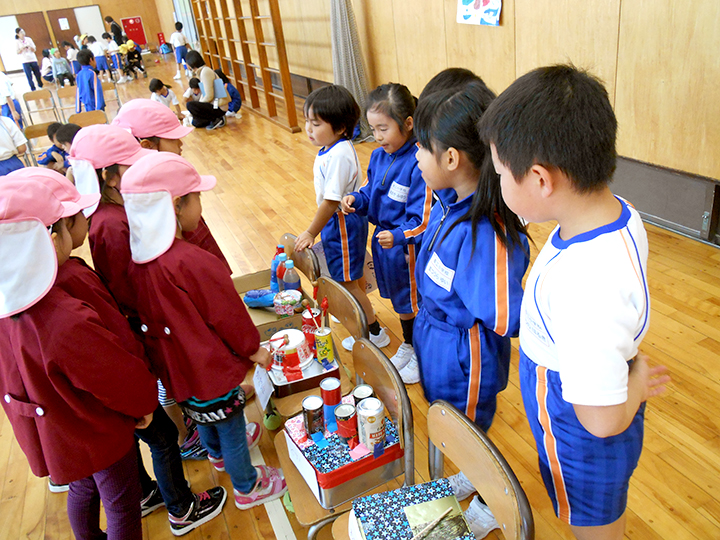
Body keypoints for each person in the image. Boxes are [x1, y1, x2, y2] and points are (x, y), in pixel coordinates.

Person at [478, 64, 671, 540]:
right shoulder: (612, 212)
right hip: (578, 391)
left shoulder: (587, 284)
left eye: (501, 173)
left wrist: (639, 385)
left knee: (594, 527)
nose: (498, 182)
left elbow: (602, 421)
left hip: (582, 432)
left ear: (541, 180)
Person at [67, 125, 230, 534]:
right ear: (107, 176)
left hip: (139, 332)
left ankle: (146, 494)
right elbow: (132, 286)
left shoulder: (108, 218)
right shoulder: (111, 225)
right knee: (161, 433)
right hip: (141, 333)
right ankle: (181, 506)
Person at [122, 151, 287, 510]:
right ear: (177, 205)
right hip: (209, 370)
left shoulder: (139, 264)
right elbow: (227, 316)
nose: (201, 206)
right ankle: (247, 485)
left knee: (204, 418)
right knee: (230, 424)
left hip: (178, 373)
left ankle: (214, 455)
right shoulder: (192, 261)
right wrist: (254, 349)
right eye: (197, 197)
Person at [0, 170, 157, 540]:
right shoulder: (61, 316)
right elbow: (112, 374)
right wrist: (143, 404)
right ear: (49, 239)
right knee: (121, 503)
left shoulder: (10, 307)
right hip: (95, 428)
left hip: (59, 432)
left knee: (83, 487)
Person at [411, 81, 530, 534]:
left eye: (422, 147)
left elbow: (507, 315)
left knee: (472, 431)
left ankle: (489, 502)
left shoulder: (485, 231)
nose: (416, 157)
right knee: (453, 425)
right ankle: (469, 472)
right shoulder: (448, 204)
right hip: (438, 338)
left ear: (452, 159)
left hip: (467, 355)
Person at [340, 83, 431, 380]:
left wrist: (401, 236)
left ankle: (421, 351)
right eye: (372, 129)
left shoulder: (420, 161)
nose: (377, 137)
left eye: (383, 129)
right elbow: (371, 190)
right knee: (399, 300)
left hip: (407, 248)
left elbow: (424, 217)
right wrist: (358, 199)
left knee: (413, 301)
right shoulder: (379, 155)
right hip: (383, 243)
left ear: (408, 123)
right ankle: (409, 342)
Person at [294, 85, 386, 347]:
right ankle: (358, 313)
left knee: (348, 283)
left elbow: (331, 200)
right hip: (338, 222)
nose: (309, 129)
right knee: (349, 278)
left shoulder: (340, 154)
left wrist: (311, 231)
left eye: (316, 123)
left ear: (342, 127)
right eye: (307, 122)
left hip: (342, 223)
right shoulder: (331, 148)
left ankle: (373, 331)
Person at [185, 50, 227, 129]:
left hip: (218, 106)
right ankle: (215, 119)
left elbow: (209, 96)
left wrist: (199, 106)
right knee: (195, 123)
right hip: (214, 104)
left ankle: (217, 118)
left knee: (190, 105)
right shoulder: (202, 72)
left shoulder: (205, 72)